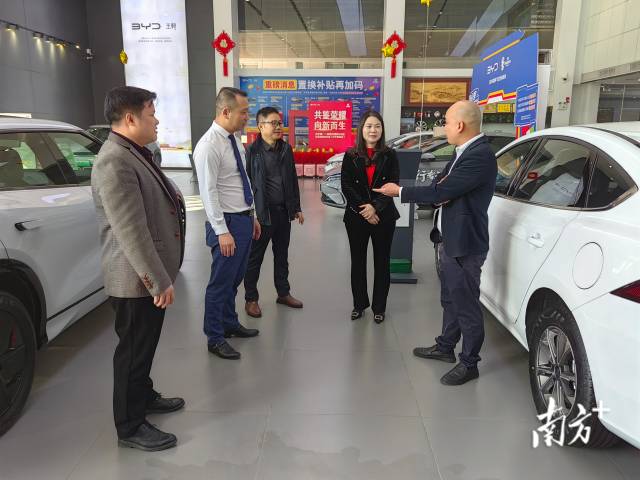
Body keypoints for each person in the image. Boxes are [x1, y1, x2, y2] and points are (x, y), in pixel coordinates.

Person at [374, 100, 497, 386]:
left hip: (465, 243)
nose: (443, 127)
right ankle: (445, 346)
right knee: (449, 298)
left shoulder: (479, 155)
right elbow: (439, 186)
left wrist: (400, 191)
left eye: (446, 122)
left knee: (465, 304)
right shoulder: (461, 151)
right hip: (448, 237)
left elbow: (442, 190)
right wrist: (438, 192)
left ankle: (469, 363)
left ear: (460, 125)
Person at [91, 86, 185, 451]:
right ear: (130, 118)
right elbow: (131, 231)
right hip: (134, 280)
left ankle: (143, 396)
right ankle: (129, 426)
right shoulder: (114, 161)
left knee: (144, 346)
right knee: (132, 352)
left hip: (144, 276)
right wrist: (157, 281)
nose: (156, 120)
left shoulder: (132, 152)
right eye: (150, 114)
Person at [193, 87, 261, 360]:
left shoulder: (233, 140)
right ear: (225, 111)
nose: (247, 117)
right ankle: (214, 337)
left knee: (234, 279)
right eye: (243, 112)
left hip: (242, 219)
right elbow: (208, 193)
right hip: (227, 224)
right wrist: (222, 231)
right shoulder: (209, 145)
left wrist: (253, 215)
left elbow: (240, 181)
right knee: (220, 283)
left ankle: (229, 323)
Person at [243, 106, 304, 318]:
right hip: (262, 215)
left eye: (280, 123)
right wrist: (251, 214)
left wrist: (296, 208)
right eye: (273, 123)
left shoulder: (286, 149)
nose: (279, 127)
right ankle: (251, 299)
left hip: (283, 213)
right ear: (261, 126)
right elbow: (246, 185)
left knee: (282, 255)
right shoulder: (251, 152)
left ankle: (283, 293)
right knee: (255, 258)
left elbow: (292, 179)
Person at [341, 111, 400, 324]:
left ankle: (379, 307)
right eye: (369, 126)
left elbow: (393, 184)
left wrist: (375, 208)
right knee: (358, 262)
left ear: (382, 129)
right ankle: (359, 305)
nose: (373, 130)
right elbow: (346, 186)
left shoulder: (390, 155)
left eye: (377, 126)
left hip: (383, 217)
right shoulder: (351, 155)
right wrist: (365, 210)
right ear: (361, 129)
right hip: (356, 217)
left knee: (382, 263)